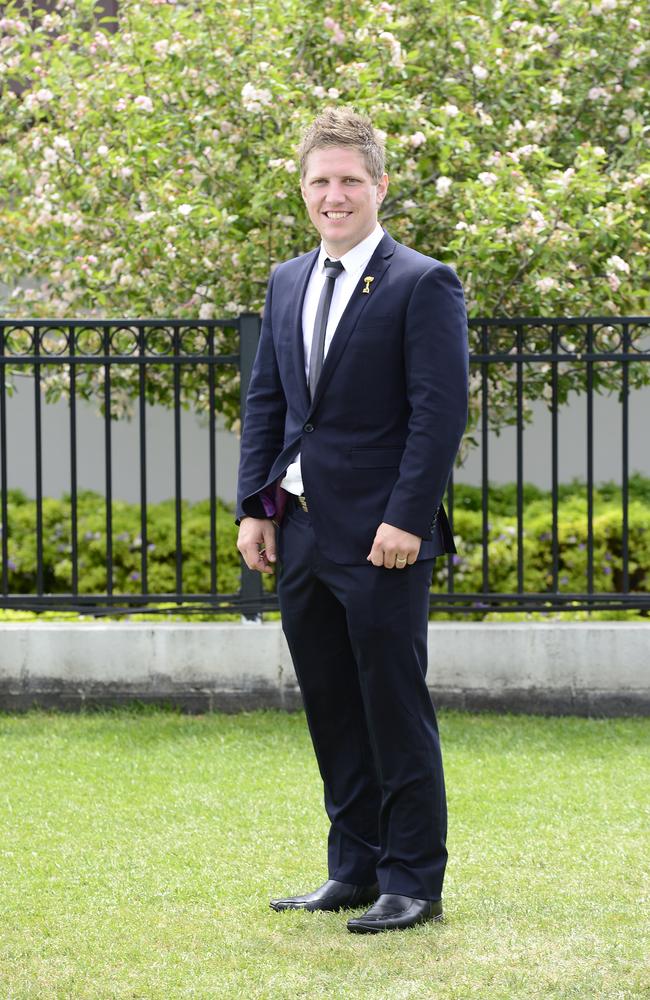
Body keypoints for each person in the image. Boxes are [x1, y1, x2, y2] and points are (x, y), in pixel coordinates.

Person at [236, 107, 468, 934]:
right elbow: (268, 402)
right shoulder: (288, 278)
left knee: (393, 705)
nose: (334, 196)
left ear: (379, 187)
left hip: (384, 543)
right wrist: (255, 509)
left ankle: (413, 879)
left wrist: (408, 518)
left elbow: (438, 414)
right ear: (303, 189)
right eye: (319, 181)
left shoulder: (421, 281)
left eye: (349, 181)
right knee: (332, 705)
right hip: (298, 530)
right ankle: (355, 870)